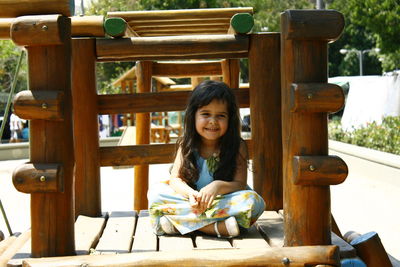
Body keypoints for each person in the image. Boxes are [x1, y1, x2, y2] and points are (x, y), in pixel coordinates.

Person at [148, 80, 265, 238]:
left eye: (221, 116)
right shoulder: (186, 144)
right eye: (206, 114)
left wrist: (217, 187)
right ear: (193, 116)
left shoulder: (237, 146)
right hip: (191, 201)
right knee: (156, 192)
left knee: (253, 202)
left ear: (230, 119)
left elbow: (240, 184)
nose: (213, 121)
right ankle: (215, 228)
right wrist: (191, 195)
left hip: (222, 201)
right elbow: (175, 179)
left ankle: (179, 225)